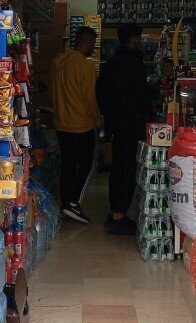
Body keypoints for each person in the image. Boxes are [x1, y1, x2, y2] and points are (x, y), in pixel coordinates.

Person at [96, 23, 153, 235]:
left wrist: (109, 116)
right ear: (135, 39)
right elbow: (140, 95)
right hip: (131, 123)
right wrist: (145, 111)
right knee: (128, 168)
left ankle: (115, 210)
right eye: (139, 38)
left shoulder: (111, 63)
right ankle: (119, 215)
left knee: (118, 166)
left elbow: (100, 92)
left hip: (117, 124)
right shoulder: (133, 64)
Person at [50, 26, 101, 224]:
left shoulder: (58, 62)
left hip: (61, 123)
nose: (93, 49)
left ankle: (65, 204)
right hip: (82, 124)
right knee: (88, 164)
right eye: (93, 45)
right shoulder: (84, 66)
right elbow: (90, 98)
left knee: (67, 164)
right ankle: (73, 203)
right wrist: (97, 119)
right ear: (86, 43)